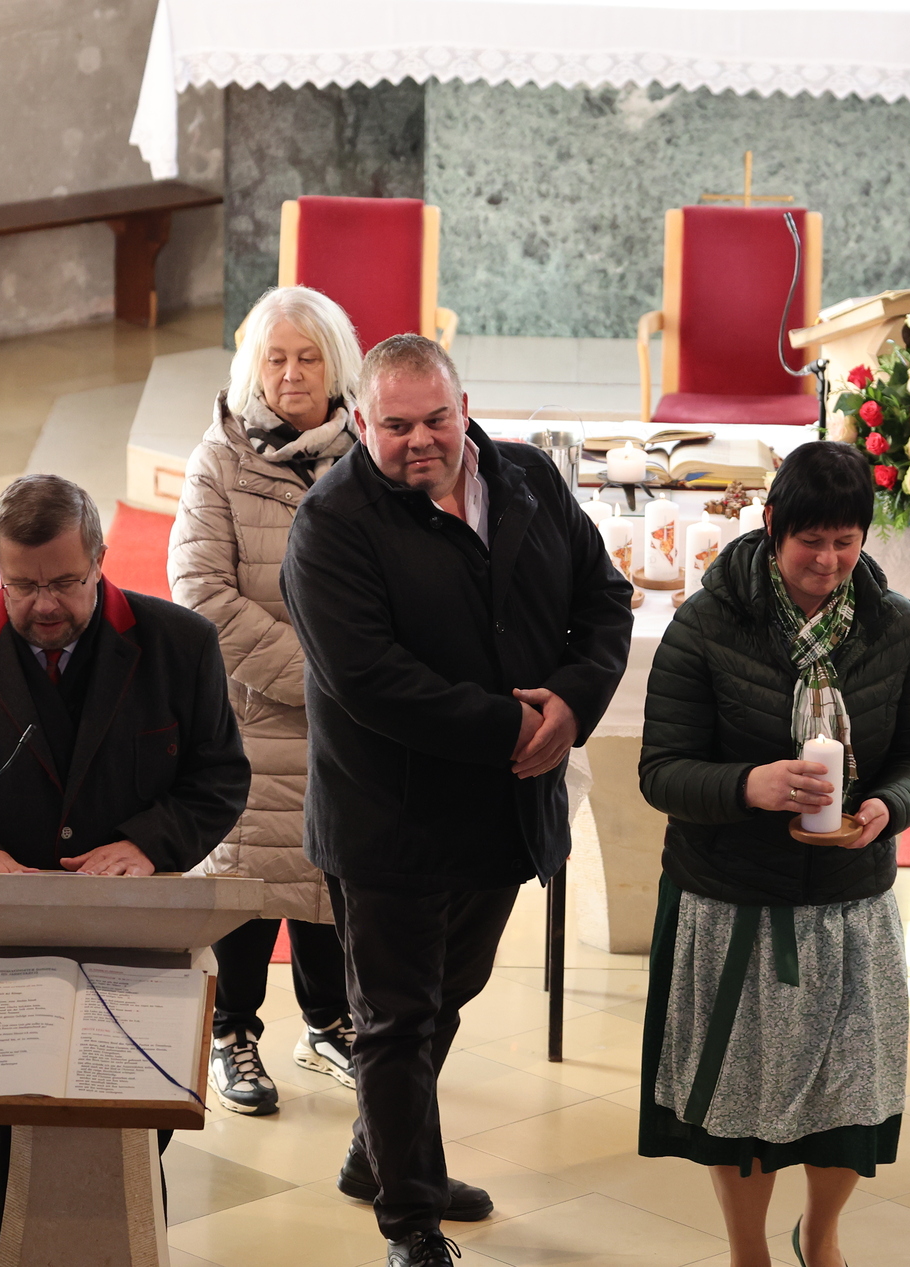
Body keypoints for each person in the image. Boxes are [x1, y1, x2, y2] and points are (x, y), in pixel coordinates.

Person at [281, 334, 632, 1267]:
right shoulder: (331, 524)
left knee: (450, 995)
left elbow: (603, 601)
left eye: (437, 418)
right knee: (396, 1018)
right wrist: (513, 727)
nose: (420, 441)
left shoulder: (528, 479)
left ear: (465, 407)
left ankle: (379, 1155)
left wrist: (572, 702)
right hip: (388, 817)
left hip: (503, 811)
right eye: (396, 425)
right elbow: (369, 678)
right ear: (361, 422)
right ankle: (410, 1224)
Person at [0, 474, 250, 1267]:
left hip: (133, 941)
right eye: (23, 584)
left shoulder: (180, 644)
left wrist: (148, 843)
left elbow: (219, 777)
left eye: (66, 582)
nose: (44, 604)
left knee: (131, 1138)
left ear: (100, 559)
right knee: (1, 1140)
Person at [637, 441, 910, 1267]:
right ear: (772, 524)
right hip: (733, 900)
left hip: (849, 899)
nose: (829, 560)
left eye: (846, 541)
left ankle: (822, 1232)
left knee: (849, 1095)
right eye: (811, 540)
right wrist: (751, 785)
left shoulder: (894, 626)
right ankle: (749, 1251)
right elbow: (661, 771)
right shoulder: (707, 624)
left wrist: (890, 804)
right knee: (743, 1104)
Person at [170, 286, 362, 1114]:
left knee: (331, 871)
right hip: (253, 713)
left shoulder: (368, 455)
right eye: (276, 357)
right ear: (253, 366)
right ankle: (230, 1032)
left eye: (309, 356)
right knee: (248, 877)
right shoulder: (219, 459)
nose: (292, 373)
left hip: (353, 719)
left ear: (336, 365)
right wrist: (322, 677)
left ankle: (329, 1022)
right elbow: (201, 594)